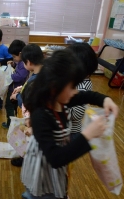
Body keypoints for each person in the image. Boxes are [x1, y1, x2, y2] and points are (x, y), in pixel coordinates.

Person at [20, 50, 118, 199]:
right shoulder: (41, 116)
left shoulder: (60, 99)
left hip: (56, 166)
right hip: (42, 171)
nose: (75, 92)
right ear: (54, 88)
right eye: (72, 87)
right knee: (43, 194)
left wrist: (105, 100)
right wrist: (87, 135)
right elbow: (56, 158)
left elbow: (86, 96)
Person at [10, 44, 44, 167]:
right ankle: (25, 157)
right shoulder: (39, 74)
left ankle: (26, 159)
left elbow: (27, 102)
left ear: (28, 62)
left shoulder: (35, 80)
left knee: (28, 139)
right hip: (35, 117)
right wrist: (21, 88)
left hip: (31, 117)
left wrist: (17, 97)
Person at [67, 43, 98, 140]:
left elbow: (77, 114)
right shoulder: (72, 80)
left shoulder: (83, 87)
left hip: (71, 132)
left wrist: (58, 108)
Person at [2, 40, 29, 129]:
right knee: (12, 107)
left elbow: (21, 75)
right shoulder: (20, 62)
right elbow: (18, 69)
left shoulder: (23, 64)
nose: (13, 58)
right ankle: (12, 123)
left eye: (14, 56)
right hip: (14, 89)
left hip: (16, 90)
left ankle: (11, 124)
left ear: (20, 54)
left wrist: (11, 76)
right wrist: (13, 64)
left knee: (10, 107)